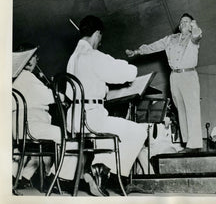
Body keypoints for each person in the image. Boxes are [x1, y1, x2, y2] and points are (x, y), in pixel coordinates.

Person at [63, 15, 148, 196]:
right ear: (97, 34)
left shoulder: (72, 58)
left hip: (73, 118)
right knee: (139, 131)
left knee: (114, 131)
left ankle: (94, 171)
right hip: (92, 118)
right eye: (100, 38)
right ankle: (107, 173)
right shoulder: (93, 55)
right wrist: (124, 65)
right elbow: (128, 73)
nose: (100, 42)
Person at [126, 13, 203, 153]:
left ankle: (195, 144)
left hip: (189, 75)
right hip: (175, 76)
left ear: (192, 25)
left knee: (192, 109)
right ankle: (186, 143)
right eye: (181, 22)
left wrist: (195, 25)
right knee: (181, 109)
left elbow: (198, 35)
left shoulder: (193, 38)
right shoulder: (170, 39)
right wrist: (137, 51)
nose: (183, 23)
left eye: (187, 22)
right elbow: (153, 46)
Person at [12, 44, 61, 189]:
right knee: (64, 136)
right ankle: (57, 179)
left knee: (35, 151)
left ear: (36, 58)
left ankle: (19, 177)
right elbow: (50, 97)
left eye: (31, 56)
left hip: (18, 127)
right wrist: (61, 95)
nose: (28, 61)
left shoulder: (15, 77)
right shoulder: (27, 76)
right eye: (24, 57)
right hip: (30, 126)